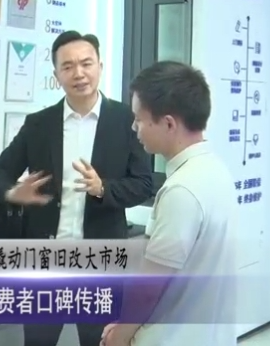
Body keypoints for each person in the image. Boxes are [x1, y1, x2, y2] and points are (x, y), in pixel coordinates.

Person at [0, 30, 152, 346]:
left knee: (99, 341)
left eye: (86, 63)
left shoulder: (126, 121)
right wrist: (13, 193)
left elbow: (144, 183)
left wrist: (103, 189)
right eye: (68, 66)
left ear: (100, 66)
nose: (79, 73)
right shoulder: (39, 124)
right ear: (56, 75)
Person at [101, 61, 237, 346]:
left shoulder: (181, 191)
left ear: (168, 124)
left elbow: (150, 289)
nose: (134, 127)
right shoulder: (216, 170)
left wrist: (119, 337)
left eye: (139, 119)